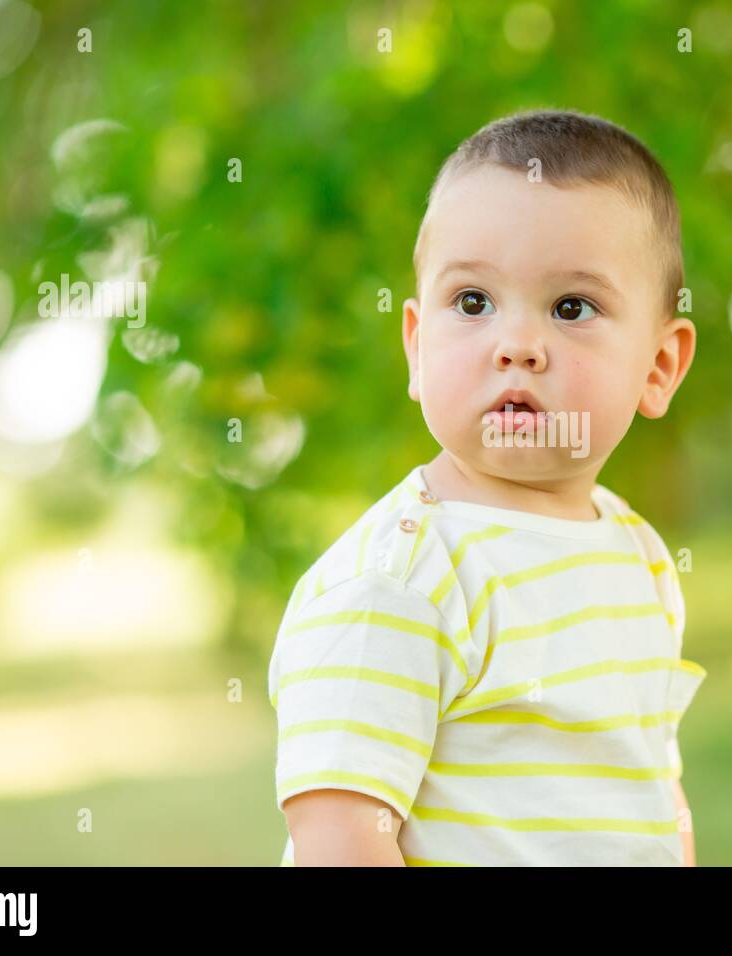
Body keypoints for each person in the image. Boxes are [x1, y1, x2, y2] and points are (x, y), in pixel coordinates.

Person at [268, 108, 703, 865]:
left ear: (659, 367)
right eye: (473, 302)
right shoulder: (399, 582)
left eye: (573, 308)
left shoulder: (639, 555)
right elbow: (338, 837)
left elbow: (654, 789)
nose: (518, 346)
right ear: (415, 346)